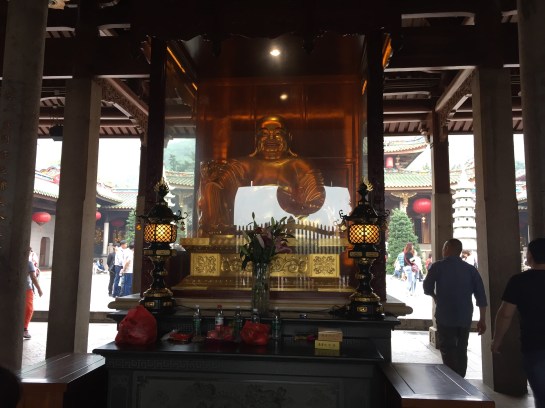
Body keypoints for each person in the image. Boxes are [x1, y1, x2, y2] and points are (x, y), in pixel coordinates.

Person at [198, 115, 326, 234]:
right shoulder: (241, 165)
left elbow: (317, 202)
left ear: (289, 137)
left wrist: (284, 201)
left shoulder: (300, 165)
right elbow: (218, 190)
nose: (271, 138)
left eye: (278, 133)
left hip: (290, 228)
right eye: (264, 134)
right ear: (256, 139)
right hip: (247, 230)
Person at [491, 238, 545, 408]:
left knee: (542, 396)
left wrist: (497, 340)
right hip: (534, 347)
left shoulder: (519, 281)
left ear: (530, 256)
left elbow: (505, 314)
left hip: (534, 345)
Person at [423, 238, 487, 378]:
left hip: (445, 315)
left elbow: (427, 288)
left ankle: (452, 379)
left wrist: (435, 297)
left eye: (444, 247)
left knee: (447, 349)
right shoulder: (471, 270)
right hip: (464, 316)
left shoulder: (437, 267)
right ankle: (461, 377)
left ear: (447, 248)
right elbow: (481, 296)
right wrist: (482, 319)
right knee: (462, 349)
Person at [24, 251, 43, 339]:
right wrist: (39, 289)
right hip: (27, 290)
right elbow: (33, 277)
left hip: (20, 289)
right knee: (29, 309)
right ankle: (24, 329)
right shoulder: (29, 263)